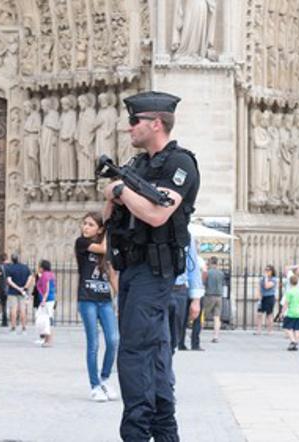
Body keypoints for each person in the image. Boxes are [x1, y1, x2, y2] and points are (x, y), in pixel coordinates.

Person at [102, 91, 199, 441]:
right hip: (130, 268)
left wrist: (120, 192)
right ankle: (164, 432)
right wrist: (115, 195)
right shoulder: (136, 166)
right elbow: (106, 218)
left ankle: (136, 433)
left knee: (133, 351)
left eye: (134, 121)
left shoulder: (181, 165)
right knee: (155, 351)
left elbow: (157, 215)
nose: (128, 128)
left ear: (156, 123)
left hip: (156, 272)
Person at [74, 212, 119, 402]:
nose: (85, 227)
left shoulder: (105, 252)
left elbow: (111, 275)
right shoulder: (82, 243)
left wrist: (118, 298)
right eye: (84, 223)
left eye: (90, 224)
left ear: (99, 229)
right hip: (87, 299)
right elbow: (102, 248)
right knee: (93, 343)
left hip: (104, 299)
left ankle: (104, 378)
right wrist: (110, 226)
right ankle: (94, 385)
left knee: (113, 339)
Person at [184, 238, 206, 351]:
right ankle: (195, 343)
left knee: (182, 319)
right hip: (196, 290)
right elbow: (203, 275)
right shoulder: (200, 260)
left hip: (184, 289)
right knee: (197, 320)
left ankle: (181, 342)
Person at [5, 253, 33, 333]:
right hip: (23, 291)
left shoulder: (10, 268)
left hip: (12, 292)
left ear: (12, 259)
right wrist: (25, 287)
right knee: (23, 310)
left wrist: (18, 288)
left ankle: (13, 327)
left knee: (13, 309)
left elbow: (9, 281)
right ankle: (24, 327)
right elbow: (30, 277)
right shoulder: (25, 267)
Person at [202, 257, 224, 343]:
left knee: (202, 314)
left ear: (210, 263)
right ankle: (216, 336)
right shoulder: (221, 273)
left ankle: (197, 333)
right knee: (217, 317)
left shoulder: (208, 272)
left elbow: (203, 283)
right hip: (219, 296)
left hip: (209, 295)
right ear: (217, 263)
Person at [281, 274, 299, 351]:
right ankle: (296, 343)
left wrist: (282, 312)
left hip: (291, 312)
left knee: (288, 327)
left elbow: (286, 304)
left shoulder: (289, 292)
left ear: (290, 282)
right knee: (297, 328)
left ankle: (293, 341)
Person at [35, 259, 56, 347]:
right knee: (46, 318)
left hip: (46, 300)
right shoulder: (51, 274)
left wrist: (43, 300)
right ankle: (46, 339)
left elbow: (46, 289)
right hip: (50, 299)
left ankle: (48, 339)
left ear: (42, 267)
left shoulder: (45, 276)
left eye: (39, 266)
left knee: (45, 319)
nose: (38, 268)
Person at [255, 265, 277, 334]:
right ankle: (258, 330)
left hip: (269, 297)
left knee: (269, 315)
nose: (266, 271)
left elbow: (267, 286)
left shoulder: (273, 279)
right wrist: (258, 295)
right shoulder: (262, 278)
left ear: (272, 271)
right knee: (259, 314)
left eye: (268, 270)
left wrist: (266, 278)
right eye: (266, 270)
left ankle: (270, 331)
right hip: (262, 297)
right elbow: (259, 286)